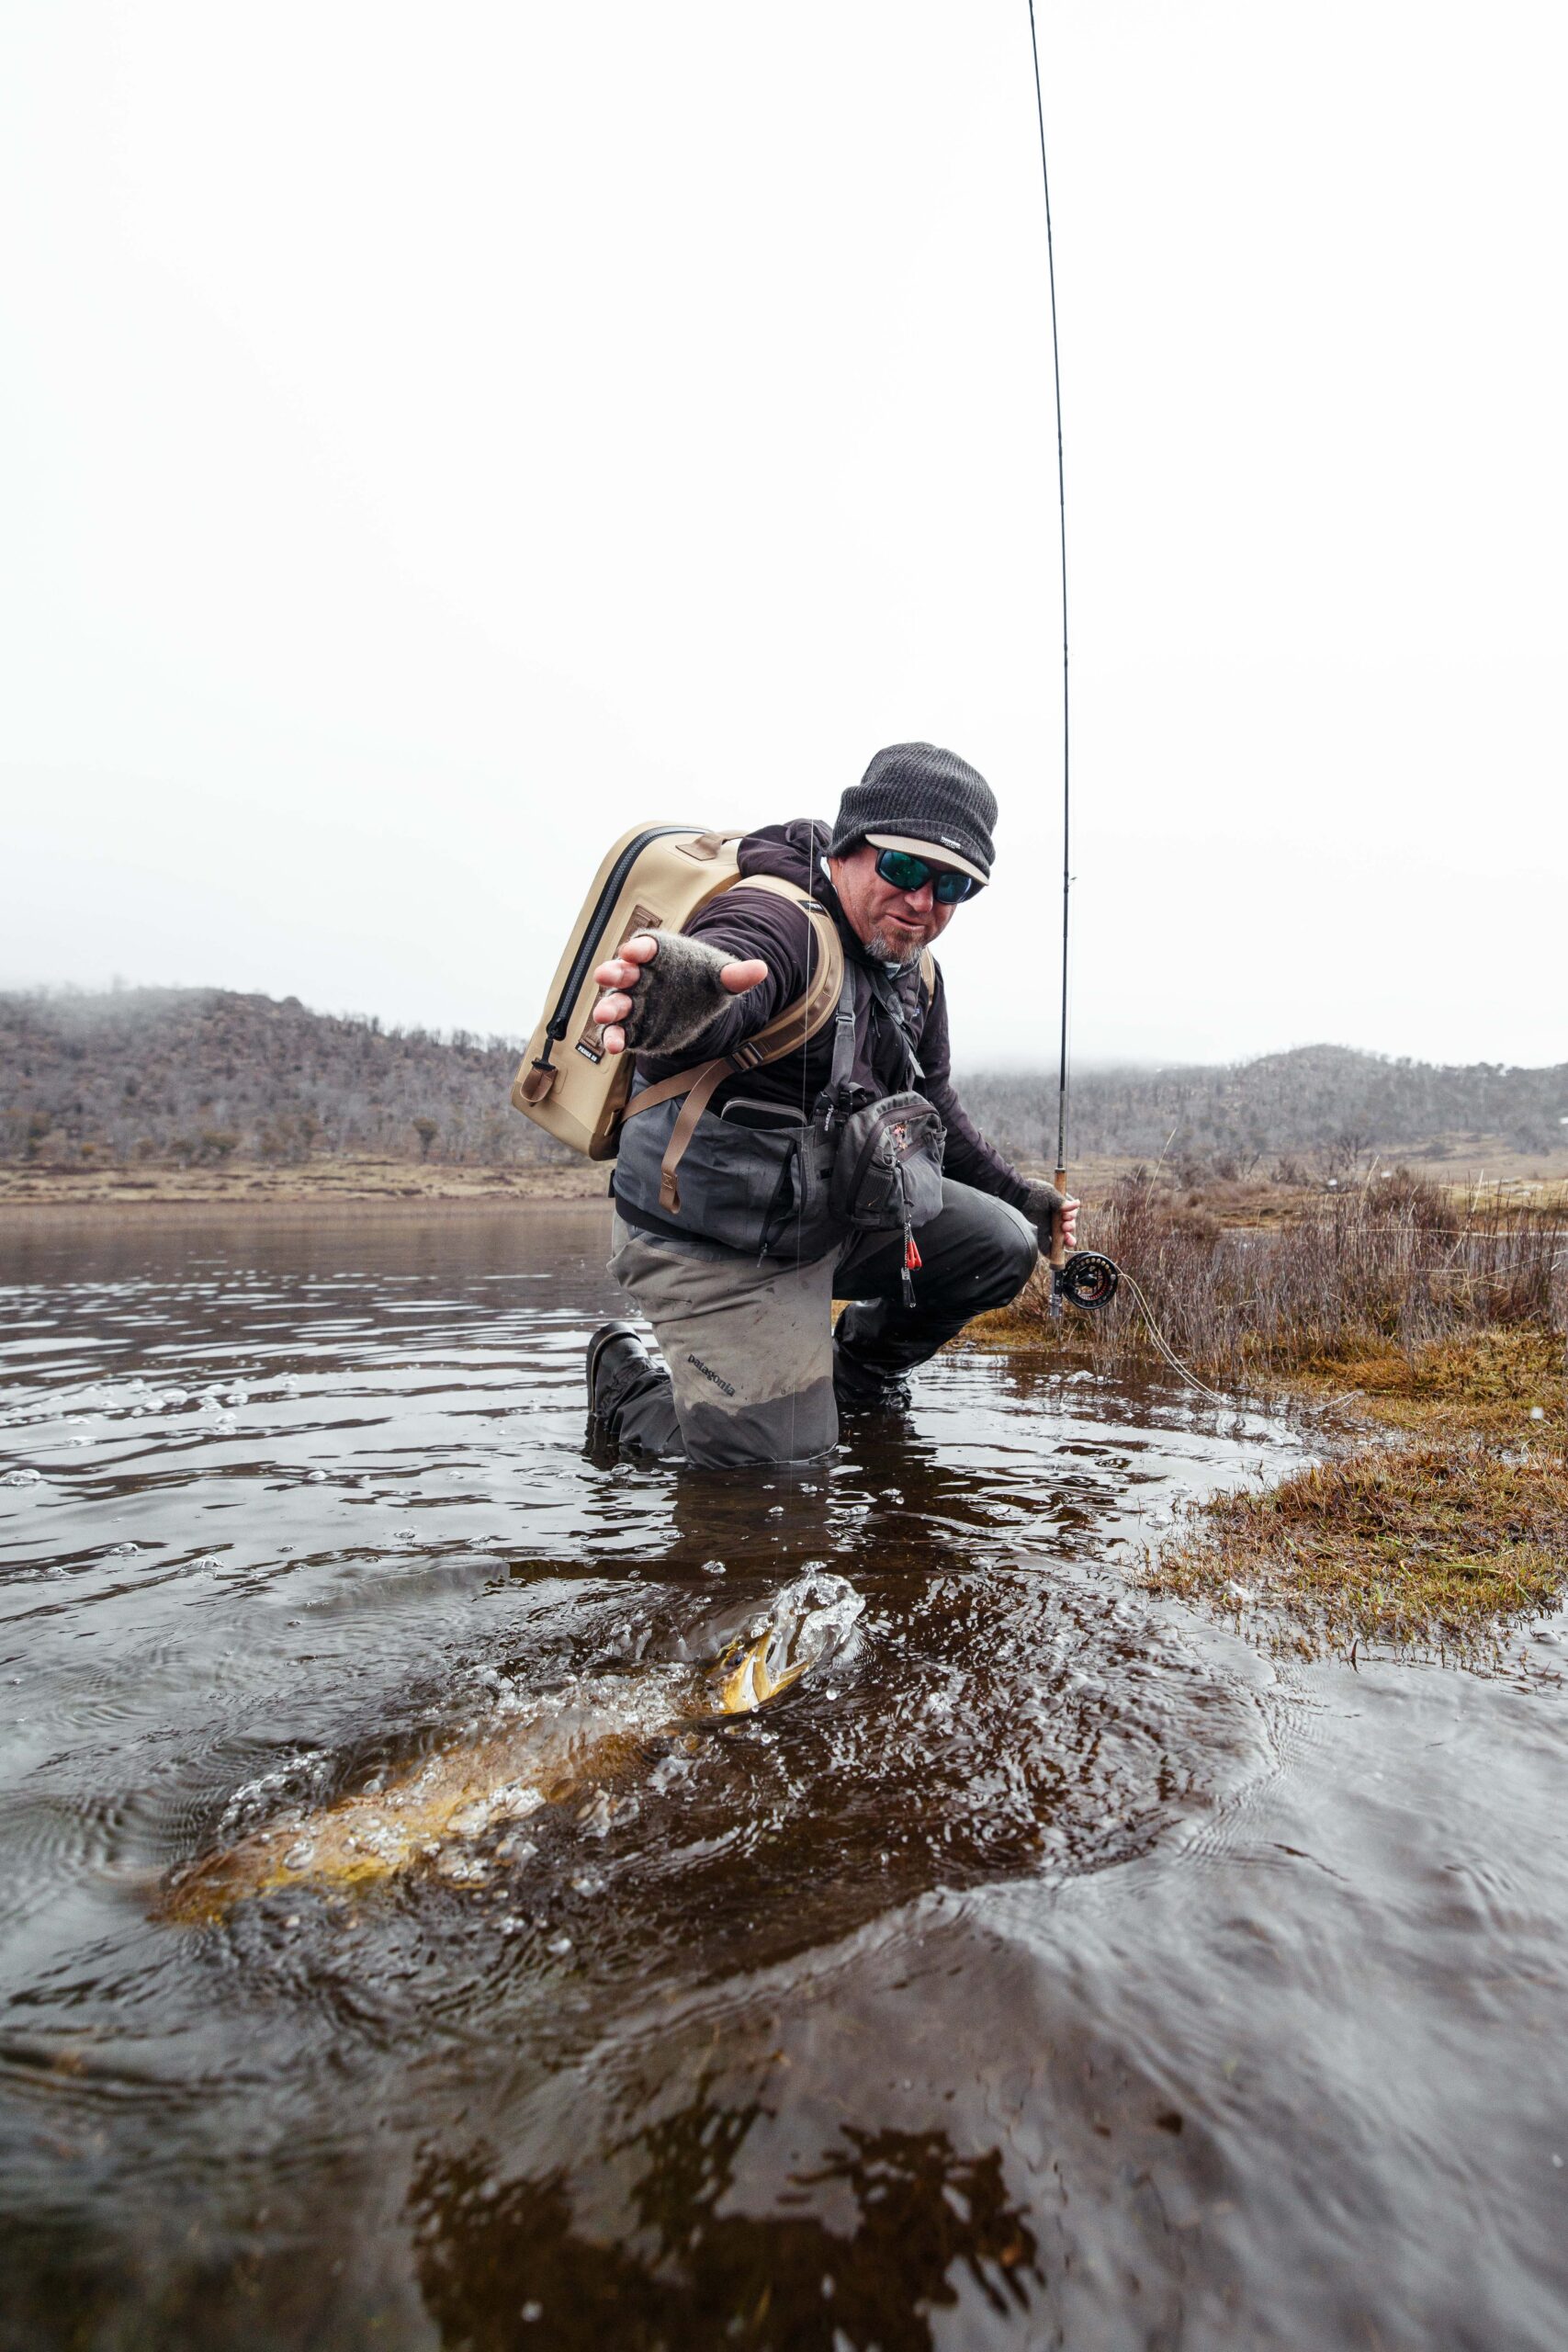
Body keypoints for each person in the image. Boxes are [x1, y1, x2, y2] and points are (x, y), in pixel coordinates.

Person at [584, 741, 1078, 1465]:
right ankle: (626, 1388)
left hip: (823, 1220)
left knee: (1000, 1243)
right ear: (849, 849)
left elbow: (931, 1098)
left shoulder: (917, 974)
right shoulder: (777, 920)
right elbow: (731, 974)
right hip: (714, 1243)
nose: (921, 902)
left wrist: (1021, 1199)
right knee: (777, 1474)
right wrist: (679, 993)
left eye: (952, 887)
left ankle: (855, 1381)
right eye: (904, 868)